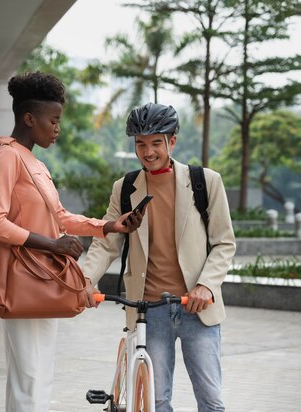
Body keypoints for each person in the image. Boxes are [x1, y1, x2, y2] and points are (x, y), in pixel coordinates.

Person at [0, 71, 142, 412]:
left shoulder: (34, 162)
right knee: (29, 375)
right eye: (52, 120)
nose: (57, 128)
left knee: (39, 372)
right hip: (22, 276)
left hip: (43, 276)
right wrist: (53, 245)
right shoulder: (6, 158)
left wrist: (109, 226)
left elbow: (60, 216)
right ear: (29, 118)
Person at [80, 102, 236, 412]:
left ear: (172, 141)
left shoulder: (205, 182)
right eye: (140, 144)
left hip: (196, 307)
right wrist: (84, 278)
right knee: (157, 401)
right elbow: (106, 241)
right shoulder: (125, 188)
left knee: (211, 401)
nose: (148, 152)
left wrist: (206, 285)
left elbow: (224, 243)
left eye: (155, 143)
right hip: (149, 312)